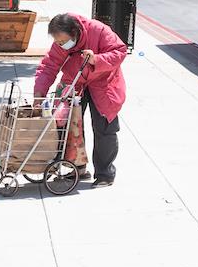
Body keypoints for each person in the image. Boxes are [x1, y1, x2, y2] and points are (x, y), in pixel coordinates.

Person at [34, 13, 129, 187]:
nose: (62, 45)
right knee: (70, 126)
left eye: (64, 41)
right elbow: (49, 66)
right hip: (74, 82)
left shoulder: (99, 30)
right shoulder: (61, 44)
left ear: (75, 31)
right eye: (58, 42)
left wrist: (97, 59)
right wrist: (39, 93)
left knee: (104, 128)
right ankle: (78, 167)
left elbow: (120, 52)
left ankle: (105, 174)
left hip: (103, 83)